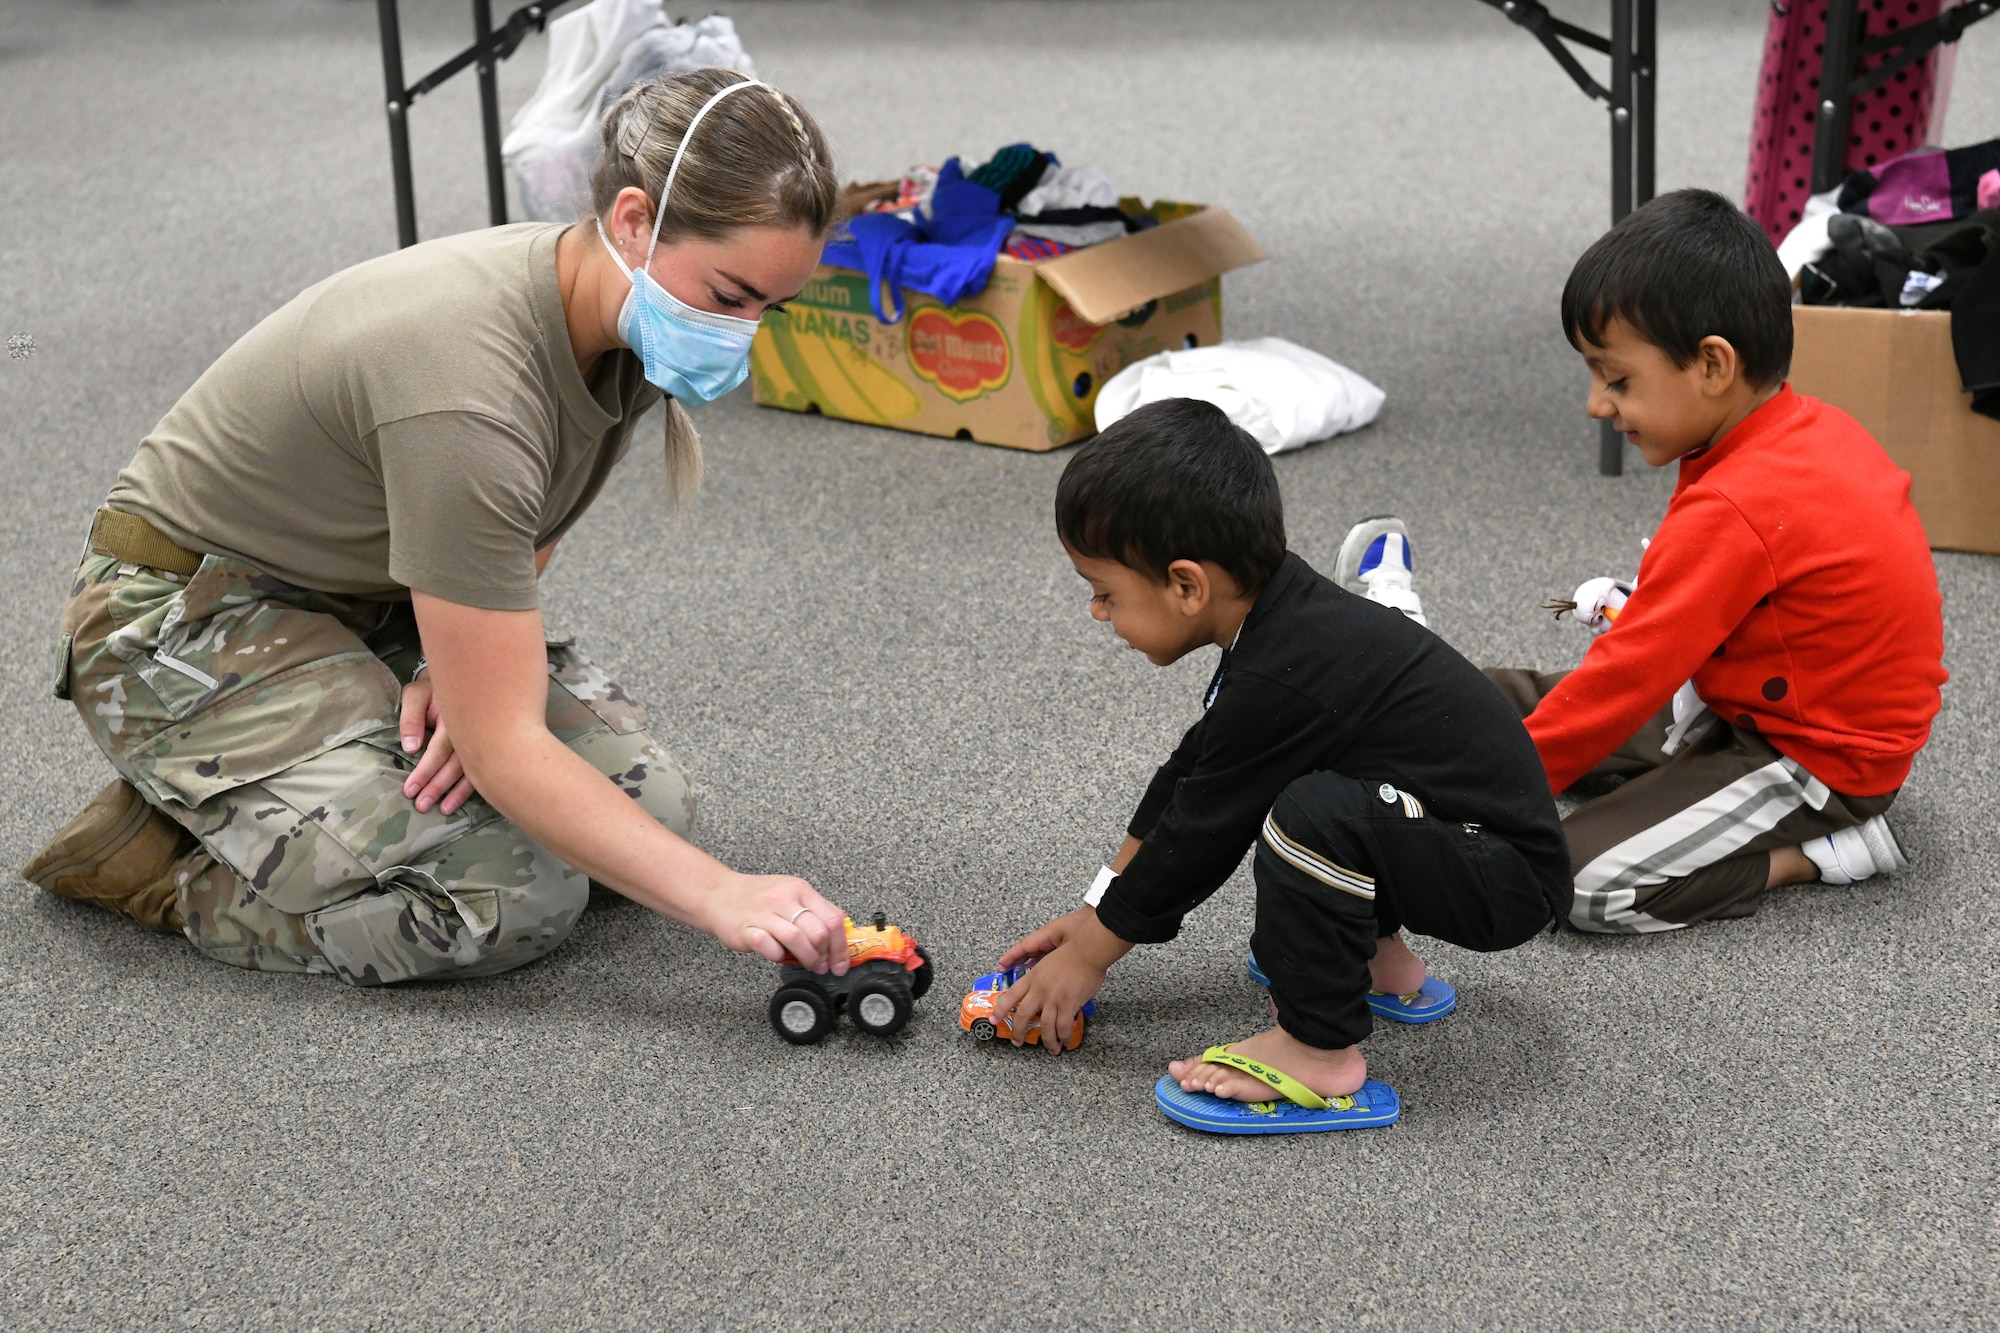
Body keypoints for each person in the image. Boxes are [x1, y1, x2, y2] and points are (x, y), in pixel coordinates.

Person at [22, 69, 861, 985]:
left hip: (364, 591)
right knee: (506, 901)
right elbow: (502, 742)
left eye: (765, 310)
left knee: (647, 811)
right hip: (180, 619)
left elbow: (525, 521)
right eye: (731, 294)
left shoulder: (612, 312)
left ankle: (294, 788)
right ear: (633, 218)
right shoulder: (470, 385)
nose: (740, 337)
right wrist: (721, 896)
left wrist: (443, 667)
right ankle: (167, 864)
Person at [983, 399, 1570, 1134]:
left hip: (1501, 873)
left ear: (1187, 584)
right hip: (1451, 833)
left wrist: (1092, 956)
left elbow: (1202, 832)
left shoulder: (1283, 670)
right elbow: (1191, 769)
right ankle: (1377, 965)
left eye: (1105, 593)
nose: (1098, 613)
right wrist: (1100, 903)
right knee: (1321, 795)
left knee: (1309, 814)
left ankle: (1320, 1049)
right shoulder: (1280, 620)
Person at [1408, 189, 1946, 933]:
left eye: (1617, 379)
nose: (1598, 404)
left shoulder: (1739, 504)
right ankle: (1399, 716)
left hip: (1818, 758)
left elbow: (1630, 675)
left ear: (1713, 365)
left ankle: (1823, 851)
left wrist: (1494, 795)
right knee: (1490, 703)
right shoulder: (1782, 430)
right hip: (1744, 692)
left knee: (1576, 882)